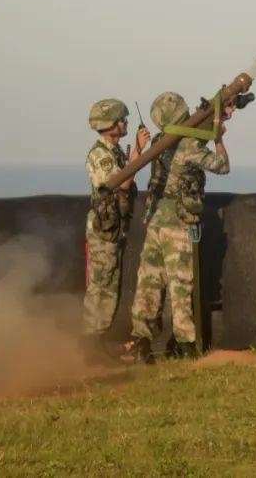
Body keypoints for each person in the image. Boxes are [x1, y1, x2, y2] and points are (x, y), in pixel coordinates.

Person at [127, 91, 232, 363]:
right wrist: (218, 139)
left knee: (148, 281)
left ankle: (142, 341)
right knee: (181, 284)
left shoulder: (162, 141)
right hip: (177, 223)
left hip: (154, 220)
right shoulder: (189, 147)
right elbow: (223, 166)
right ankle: (185, 344)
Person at [83, 98, 150, 357]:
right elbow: (120, 183)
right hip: (104, 230)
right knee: (100, 286)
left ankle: (98, 341)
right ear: (109, 125)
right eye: (121, 120)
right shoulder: (100, 155)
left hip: (115, 227)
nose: (125, 124)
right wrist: (138, 153)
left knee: (111, 287)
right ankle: (90, 342)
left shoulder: (115, 151)